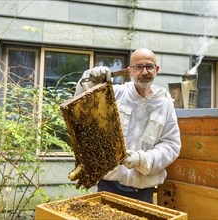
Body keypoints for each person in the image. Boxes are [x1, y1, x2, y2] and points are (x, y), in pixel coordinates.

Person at [74, 48, 181, 203]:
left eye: (149, 66)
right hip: (109, 185)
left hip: (143, 190)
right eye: (138, 67)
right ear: (130, 71)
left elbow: (171, 145)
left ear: (156, 70)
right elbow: (82, 107)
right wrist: (89, 80)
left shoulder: (165, 105)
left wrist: (142, 159)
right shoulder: (115, 94)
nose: (145, 72)